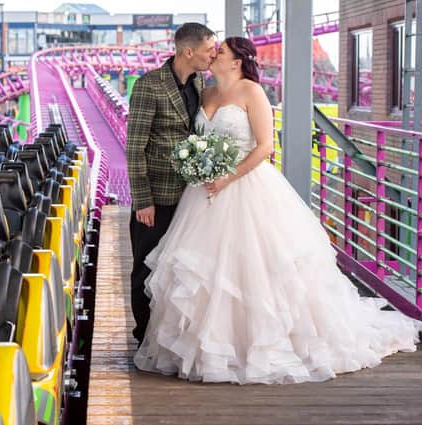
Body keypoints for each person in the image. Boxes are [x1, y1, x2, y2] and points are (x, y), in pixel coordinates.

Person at [133, 36, 420, 384]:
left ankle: (256, 346)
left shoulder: (253, 92)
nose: (213, 55)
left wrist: (226, 178)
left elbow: (265, 146)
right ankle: (208, 347)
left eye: (219, 51)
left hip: (245, 186)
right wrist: (201, 167)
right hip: (203, 193)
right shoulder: (204, 91)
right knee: (204, 272)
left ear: (237, 61)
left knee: (253, 268)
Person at [126, 23, 217, 345]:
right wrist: (142, 201)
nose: (213, 55)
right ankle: (144, 339)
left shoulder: (198, 80)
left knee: (180, 270)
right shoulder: (148, 85)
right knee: (146, 269)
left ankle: (172, 339)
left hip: (190, 195)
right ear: (188, 51)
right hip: (157, 197)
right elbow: (134, 147)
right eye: (209, 50)